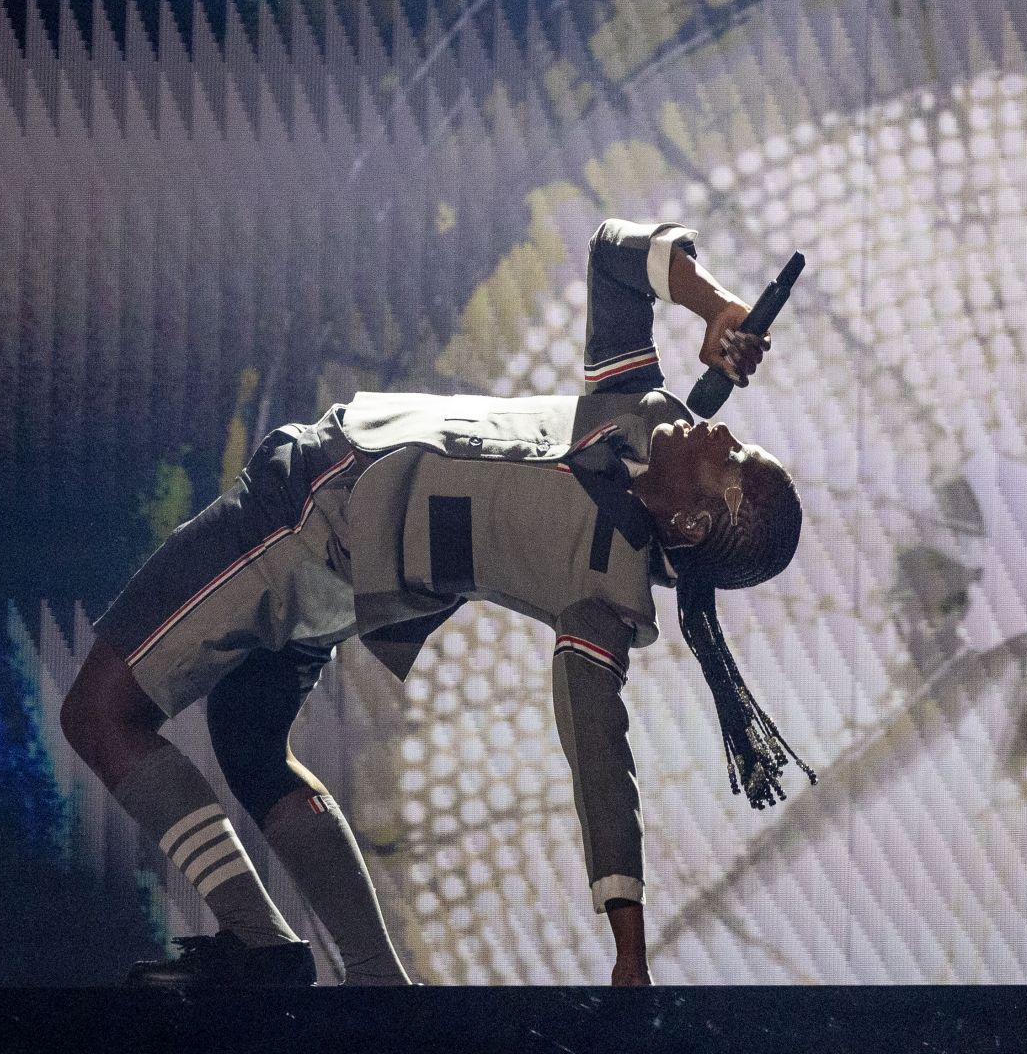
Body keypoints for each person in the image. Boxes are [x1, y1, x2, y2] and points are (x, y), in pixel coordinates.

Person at [58, 218, 811, 989]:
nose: (723, 436)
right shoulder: (637, 413)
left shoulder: (603, 600)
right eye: (741, 445)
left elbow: (602, 771)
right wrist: (714, 306)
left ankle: (258, 946)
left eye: (734, 465)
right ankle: (377, 978)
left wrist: (630, 955)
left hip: (304, 516)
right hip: (345, 566)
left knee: (100, 711)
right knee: (248, 736)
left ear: (690, 524)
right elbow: (613, 253)